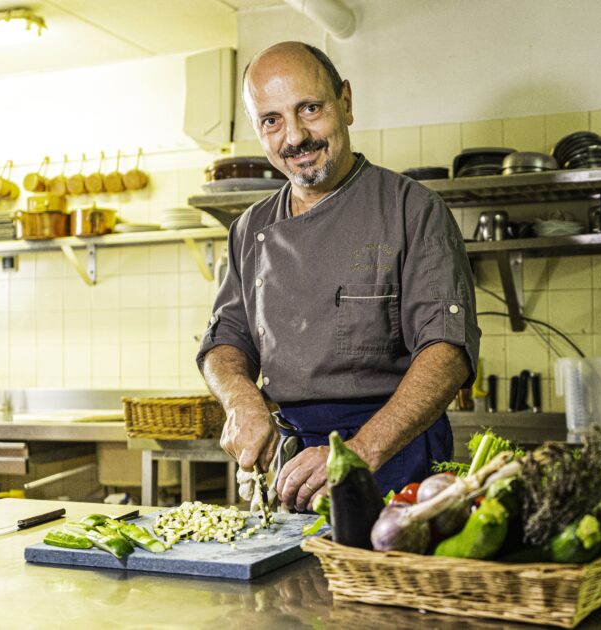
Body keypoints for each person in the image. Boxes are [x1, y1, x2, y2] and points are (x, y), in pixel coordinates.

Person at [196, 41, 479, 513]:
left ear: (345, 102)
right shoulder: (248, 229)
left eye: (310, 108)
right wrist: (241, 400)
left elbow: (447, 351)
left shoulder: (413, 210)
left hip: (395, 460)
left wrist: (358, 452)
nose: (295, 136)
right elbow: (225, 339)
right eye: (272, 120)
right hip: (293, 467)